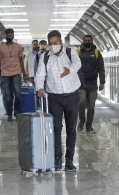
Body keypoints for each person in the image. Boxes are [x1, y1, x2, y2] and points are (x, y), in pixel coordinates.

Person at [36, 30, 82, 172]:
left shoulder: (70, 52)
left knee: (71, 129)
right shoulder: (45, 57)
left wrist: (69, 70)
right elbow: (40, 75)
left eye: (55, 43)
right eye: (50, 44)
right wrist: (39, 88)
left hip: (72, 95)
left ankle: (69, 161)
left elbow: (77, 63)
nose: (53, 45)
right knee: (56, 128)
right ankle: (57, 160)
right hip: (54, 97)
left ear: (60, 41)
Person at [0, 28, 29, 121]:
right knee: (8, 96)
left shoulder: (18, 47)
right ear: (5, 36)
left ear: (13, 35)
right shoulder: (0, 47)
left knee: (18, 94)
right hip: (5, 74)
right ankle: (9, 113)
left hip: (16, 73)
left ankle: (16, 111)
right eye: (8, 35)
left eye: (11, 35)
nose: (9, 37)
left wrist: (24, 73)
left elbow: (21, 61)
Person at [77, 35, 106, 133]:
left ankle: (89, 126)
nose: (87, 42)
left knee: (91, 106)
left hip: (93, 84)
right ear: (83, 41)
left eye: (89, 40)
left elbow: (101, 68)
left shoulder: (97, 53)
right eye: (85, 40)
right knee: (81, 102)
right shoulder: (78, 52)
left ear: (92, 41)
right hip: (81, 84)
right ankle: (81, 121)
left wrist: (102, 81)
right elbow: (74, 68)